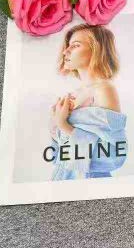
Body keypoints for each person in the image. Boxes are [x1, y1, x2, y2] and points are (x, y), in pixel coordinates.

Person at [48, 23, 128, 180]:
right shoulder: (73, 94)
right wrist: (55, 128)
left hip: (89, 182)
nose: (65, 51)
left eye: (75, 45)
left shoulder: (104, 90)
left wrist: (63, 125)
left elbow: (115, 155)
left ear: (97, 49)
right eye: (67, 46)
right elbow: (58, 157)